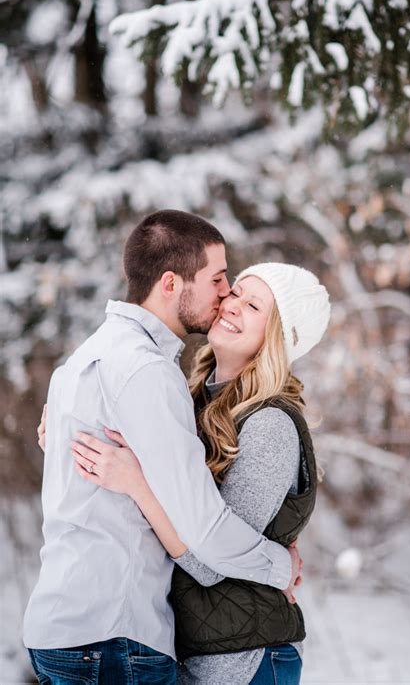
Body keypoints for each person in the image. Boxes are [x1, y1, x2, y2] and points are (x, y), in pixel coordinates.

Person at [25, 210, 303, 685]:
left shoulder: (81, 360)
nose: (225, 294)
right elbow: (207, 529)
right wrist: (282, 567)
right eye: (218, 279)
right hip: (114, 633)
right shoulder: (149, 372)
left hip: (60, 626)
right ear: (172, 284)